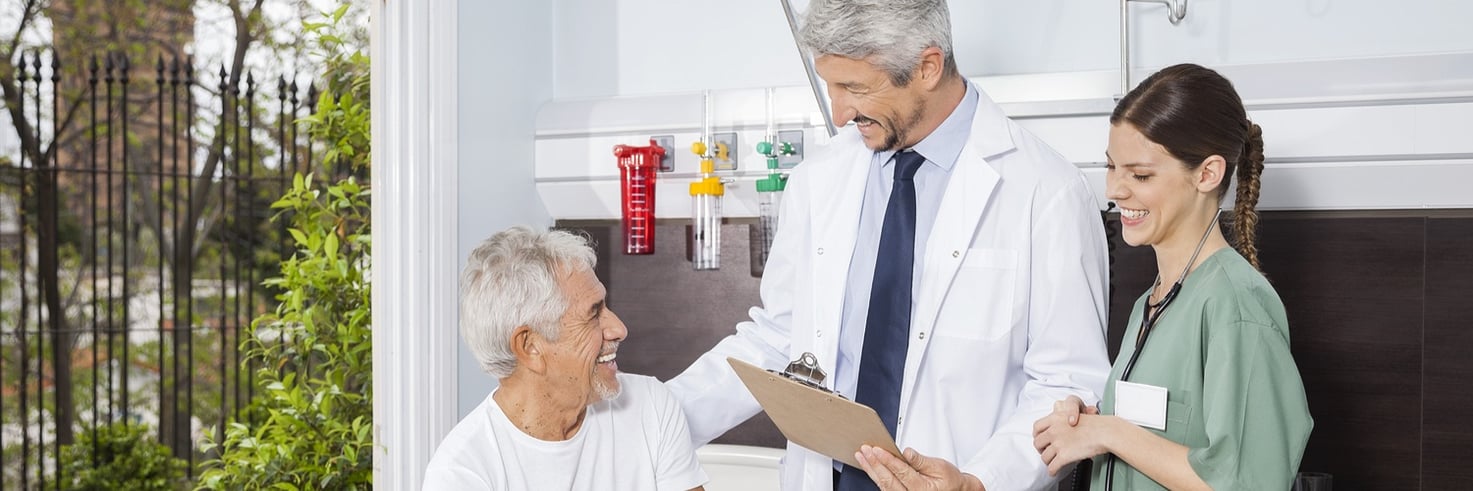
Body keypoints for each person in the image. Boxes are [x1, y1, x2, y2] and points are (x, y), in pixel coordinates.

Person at [666, 0, 1112, 489]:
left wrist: (980, 481)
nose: (839, 114)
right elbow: (780, 338)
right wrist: (656, 421)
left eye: (855, 88)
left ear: (927, 67)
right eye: (829, 87)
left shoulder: (1045, 190)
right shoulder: (820, 178)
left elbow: (1066, 384)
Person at [1029, 63, 1314, 489]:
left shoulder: (1236, 306)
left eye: (1140, 174)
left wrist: (1111, 432)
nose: (1114, 190)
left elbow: (1247, 481)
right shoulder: (1153, 301)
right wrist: (1092, 425)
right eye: (1111, 167)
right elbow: (1163, 435)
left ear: (1207, 173)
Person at [424, 227, 708, 491]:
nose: (619, 329)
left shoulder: (650, 406)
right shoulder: (462, 473)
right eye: (593, 314)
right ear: (530, 346)